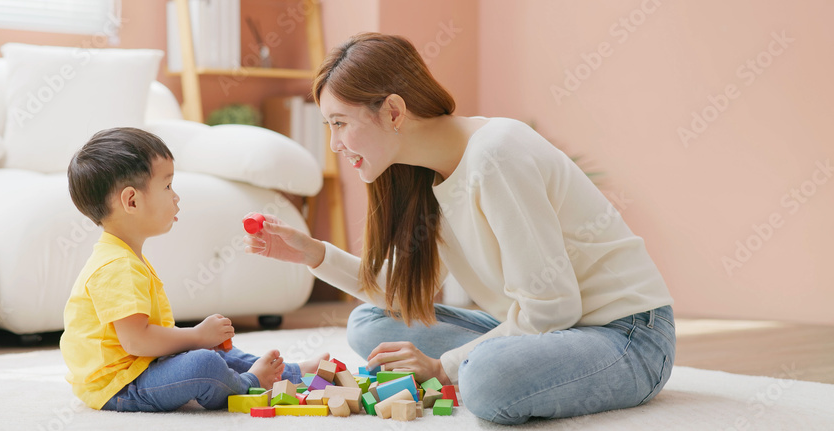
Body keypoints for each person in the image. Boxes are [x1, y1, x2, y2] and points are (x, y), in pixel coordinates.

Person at [243, 33, 676, 425]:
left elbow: (552, 310)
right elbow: (402, 291)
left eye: (340, 123)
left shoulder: (495, 154)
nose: (335, 144)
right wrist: (312, 253)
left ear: (393, 111)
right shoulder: (425, 175)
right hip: (548, 332)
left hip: (627, 336)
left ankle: (478, 366)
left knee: (486, 380)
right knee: (371, 324)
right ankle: (484, 363)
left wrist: (442, 367)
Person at [60, 127, 327, 412]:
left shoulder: (124, 257)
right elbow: (137, 341)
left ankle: (293, 375)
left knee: (214, 351)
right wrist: (197, 335)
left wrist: (199, 339)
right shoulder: (116, 266)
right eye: (167, 186)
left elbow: (148, 337)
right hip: (122, 385)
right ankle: (250, 384)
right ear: (132, 201)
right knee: (204, 363)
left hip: (141, 367)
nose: (176, 197)